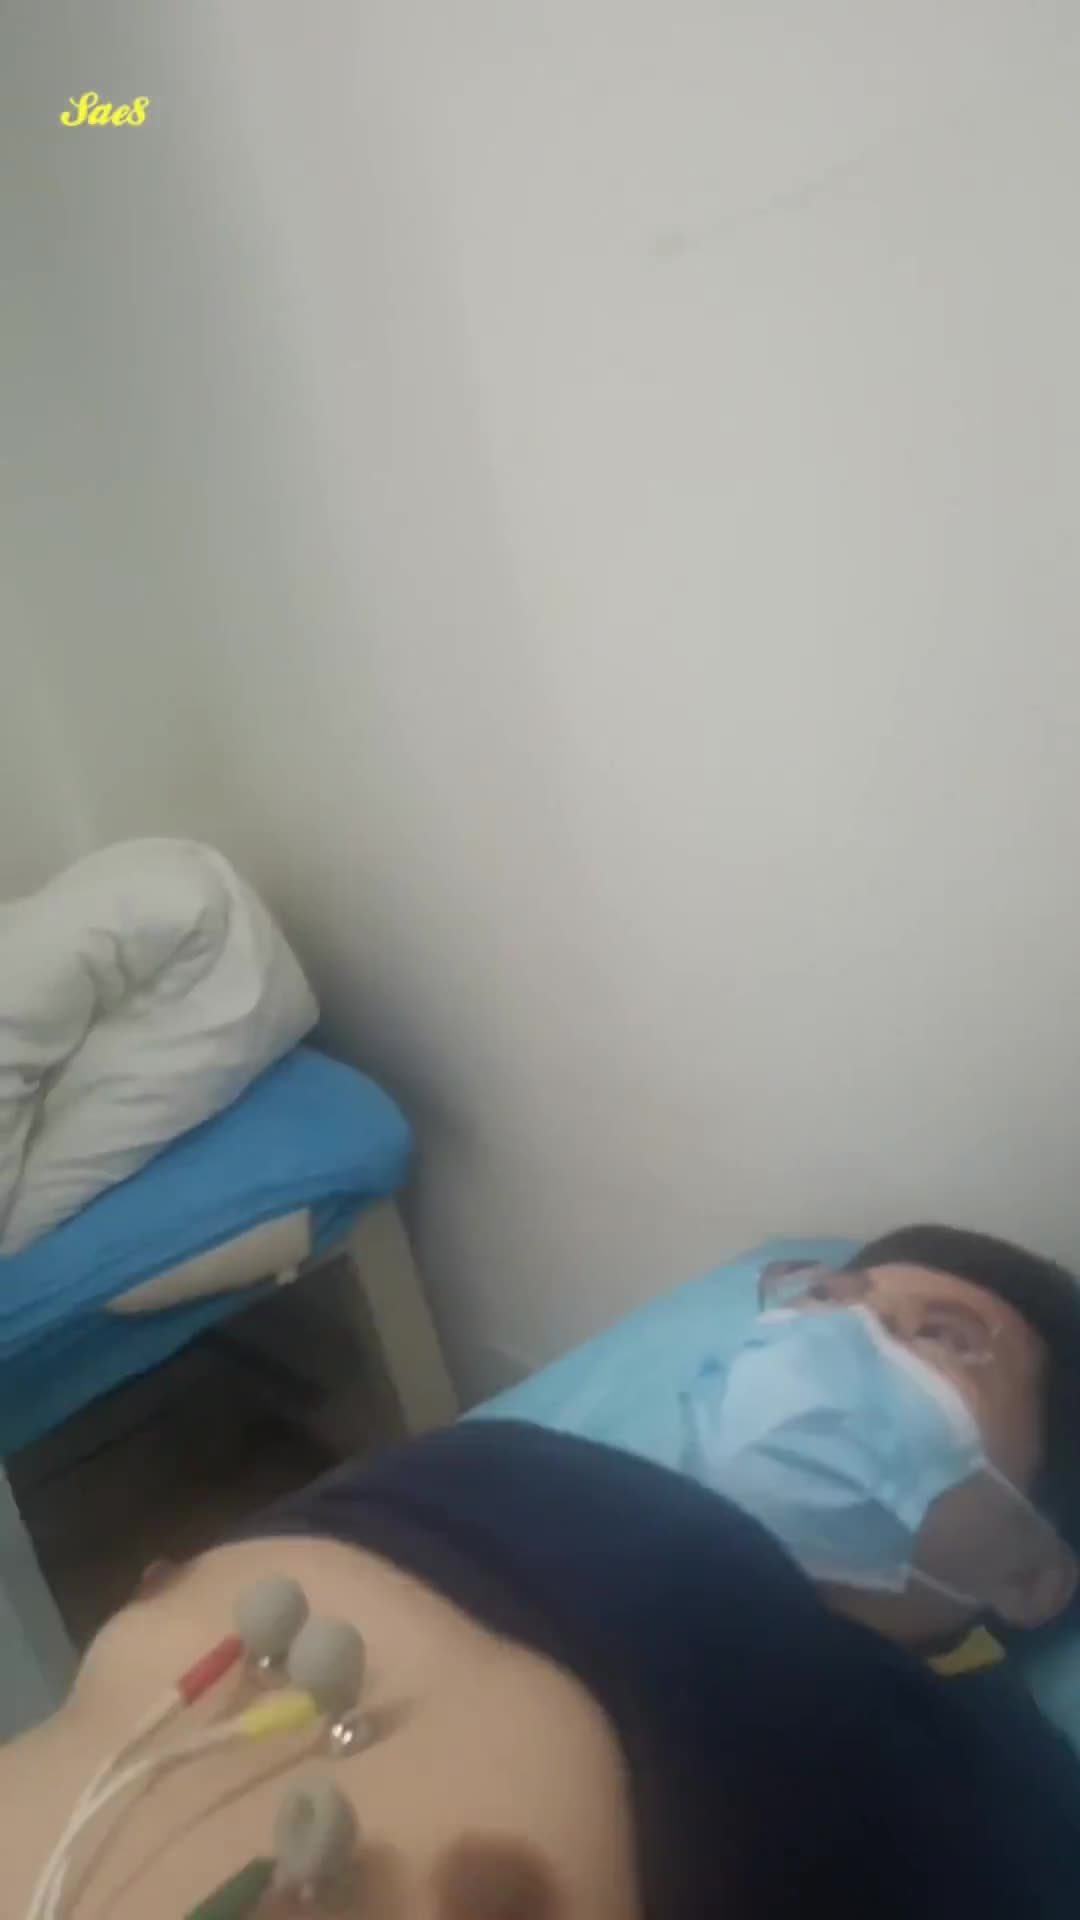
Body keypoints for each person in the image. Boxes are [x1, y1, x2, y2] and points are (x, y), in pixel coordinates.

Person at [7, 1225, 1080, 1917]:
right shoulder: (502, 1453)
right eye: (826, 1298)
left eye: (948, 1340)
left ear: (1035, 1577)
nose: (836, 1336)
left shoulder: (974, 1782)